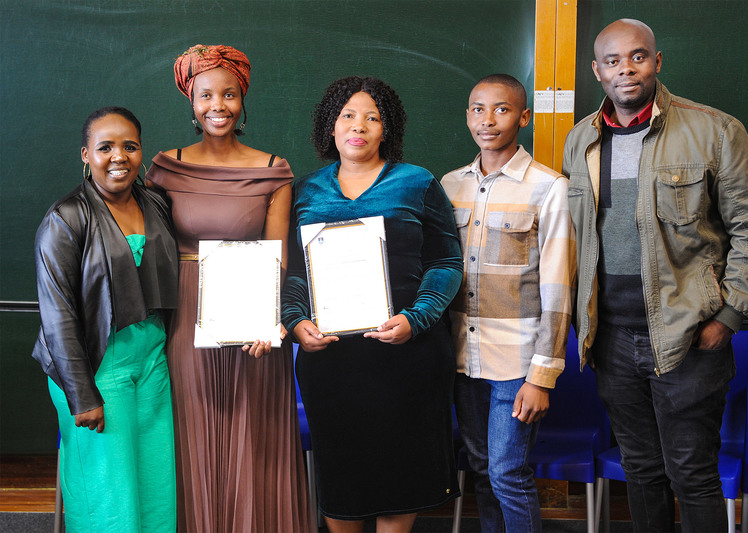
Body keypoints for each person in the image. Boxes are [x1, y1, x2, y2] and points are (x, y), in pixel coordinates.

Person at [562, 19, 748, 532]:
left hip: (688, 338)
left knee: (692, 474)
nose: (626, 69)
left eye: (637, 57)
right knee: (640, 470)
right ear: (597, 71)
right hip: (610, 338)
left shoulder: (715, 130)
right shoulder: (580, 141)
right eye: (612, 61)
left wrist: (727, 315)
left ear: (657, 62)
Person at [282, 76, 463, 533]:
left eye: (372, 117)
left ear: (388, 129)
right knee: (343, 481)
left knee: (399, 480)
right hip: (332, 361)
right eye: (347, 115)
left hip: (405, 354)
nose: (358, 125)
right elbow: (293, 274)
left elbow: (446, 261)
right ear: (330, 126)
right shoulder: (304, 191)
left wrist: (415, 318)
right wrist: (297, 321)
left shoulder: (417, 182)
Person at [146, 44, 313, 532]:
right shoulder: (164, 167)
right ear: (191, 102)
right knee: (189, 430)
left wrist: (268, 323)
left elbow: (278, 258)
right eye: (206, 96)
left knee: (251, 432)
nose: (218, 105)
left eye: (229, 94)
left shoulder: (274, 170)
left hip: (252, 321)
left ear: (243, 99)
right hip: (184, 317)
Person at [32, 106, 179, 532]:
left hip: (151, 360)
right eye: (106, 147)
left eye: (130, 146)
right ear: (85, 154)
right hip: (97, 368)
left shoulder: (155, 202)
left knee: (155, 490)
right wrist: (83, 395)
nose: (119, 156)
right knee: (109, 499)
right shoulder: (65, 219)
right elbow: (57, 316)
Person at [441, 74, 576, 532]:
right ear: (466, 116)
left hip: (516, 363)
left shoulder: (549, 187)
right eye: (478, 109)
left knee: (507, 473)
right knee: (482, 469)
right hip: (463, 359)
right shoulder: (449, 185)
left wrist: (542, 376)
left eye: (501, 109)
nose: (488, 119)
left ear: (524, 117)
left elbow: (559, 291)